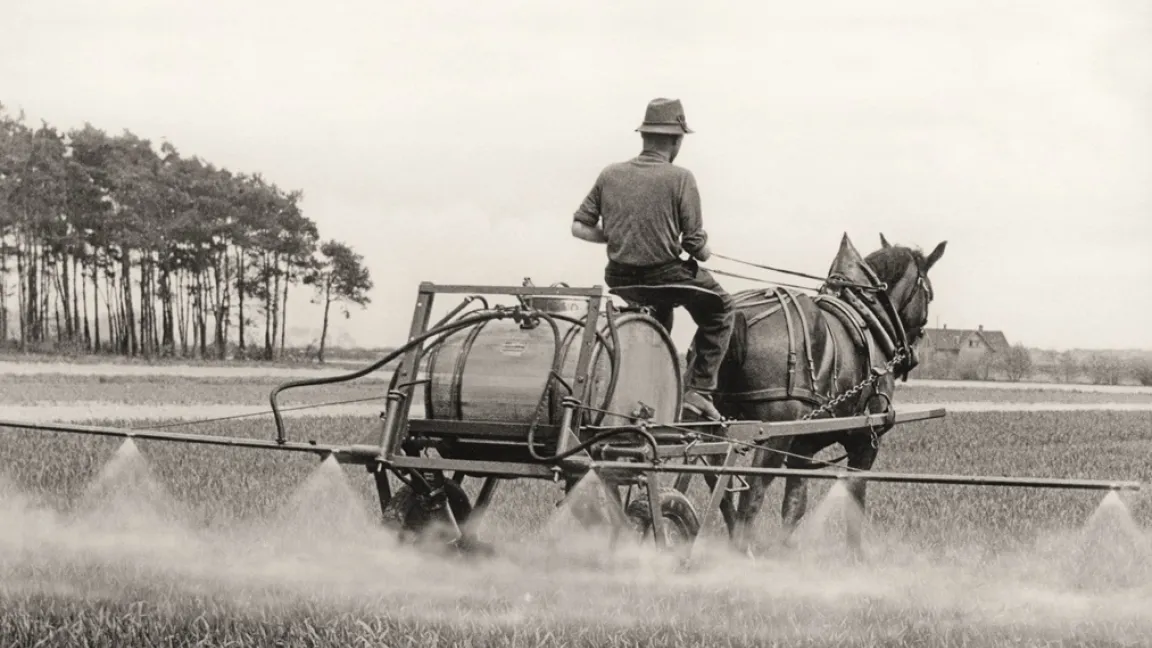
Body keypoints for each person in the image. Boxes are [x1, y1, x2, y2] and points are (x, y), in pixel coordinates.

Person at [570, 97, 734, 421]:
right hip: (665, 277)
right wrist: (704, 251)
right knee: (721, 308)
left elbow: (579, 226)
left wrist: (615, 233)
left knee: (660, 315)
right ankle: (699, 390)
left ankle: (646, 382)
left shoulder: (609, 174)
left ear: (644, 136)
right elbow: (694, 242)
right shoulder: (680, 178)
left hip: (620, 279)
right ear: (676, 140)